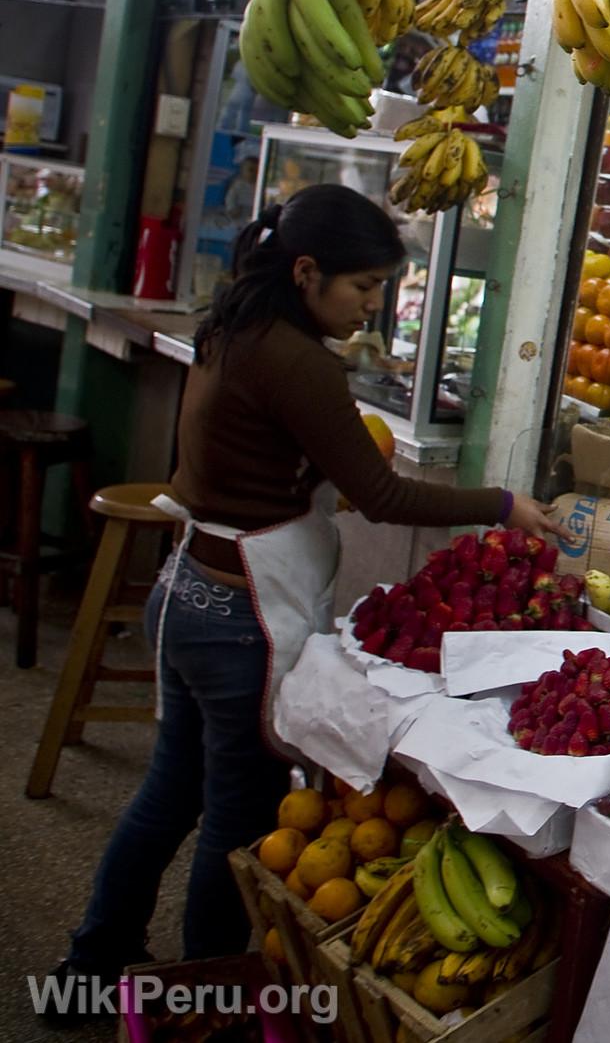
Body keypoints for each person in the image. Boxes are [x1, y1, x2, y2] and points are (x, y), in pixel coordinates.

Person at [47, 183, 559, 1016]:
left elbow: (267, 458)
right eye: (361, 288)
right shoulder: (301, 362)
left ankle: (90, 966)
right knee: (239, 819)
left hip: (184, 594)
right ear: (309, 272)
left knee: (169, 794)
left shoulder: (237, 324)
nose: (372, 306)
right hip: (237, 624)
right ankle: (204, 996)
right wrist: (501, 504)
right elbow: (383, 495)